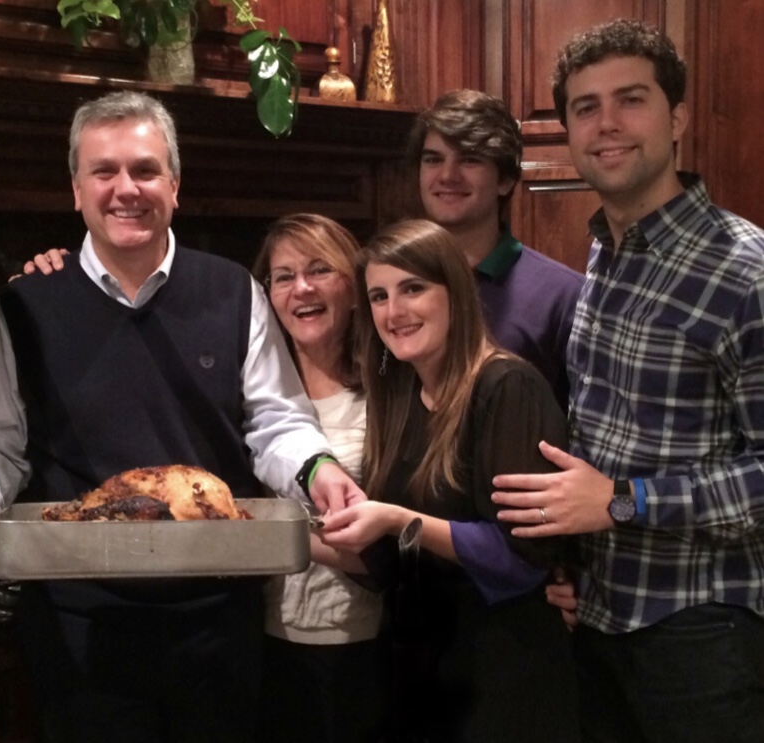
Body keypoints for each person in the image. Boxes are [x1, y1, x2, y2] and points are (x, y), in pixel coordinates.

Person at [0, 90, 366, 743]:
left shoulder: (232, 290)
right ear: (75, 188)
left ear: (174, 184)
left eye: (143, 169)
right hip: (79, 621)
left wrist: (318, 467)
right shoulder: (24, 303)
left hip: (217, 613)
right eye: (103, 171)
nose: (124, 188)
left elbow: (274, 421)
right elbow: (5, 443)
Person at [491, 18, 764, 743]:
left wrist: (621, 501)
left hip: (702, 633)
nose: (605, 124)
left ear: (675, 117)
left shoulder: (747, 273)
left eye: (630, 100)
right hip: (598, 614)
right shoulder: (604, 254)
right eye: (584, 107)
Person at [320, 219, 580, 742]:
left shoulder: (507, 387)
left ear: (455, 292)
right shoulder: (398, 397)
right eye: (378, 296)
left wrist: (395, 519)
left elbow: (520, 560)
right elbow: (394, 562)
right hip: (423, 667)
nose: (394, 312)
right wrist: (291, 542)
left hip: (505, 673)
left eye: (413, 288)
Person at [249, 214, 387, 743]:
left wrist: (275, 536)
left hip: (366, 644)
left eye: (318, 270)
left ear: (354, 288)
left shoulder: (389, 392)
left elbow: (397, 544)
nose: (300, 288)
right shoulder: (253, 395)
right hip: (263, 638)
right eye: (283, 276)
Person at [409, 89, 583, 409]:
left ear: (505, 180)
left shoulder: (564, 296)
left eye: (470, 159)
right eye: (433, 159)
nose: (447, 176)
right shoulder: (394, 283)